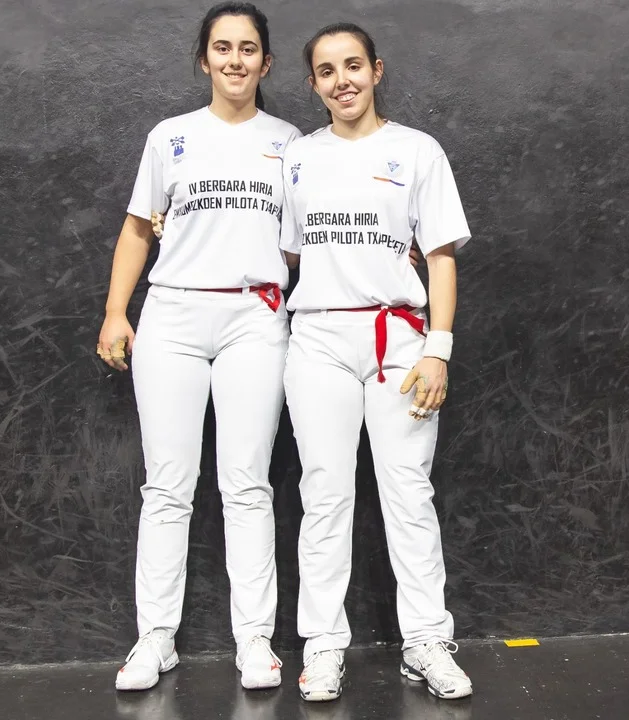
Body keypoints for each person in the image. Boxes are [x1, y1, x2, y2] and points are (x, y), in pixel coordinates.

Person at [97, 2, 301, 692]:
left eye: (248, 48)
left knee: (246, 483)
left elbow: (307, 239)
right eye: (222, 47)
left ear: (266, 62)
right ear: (204, 59)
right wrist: (115, 313)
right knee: (167, 485)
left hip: (254, 319)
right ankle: (155, 638)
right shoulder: (170, 137)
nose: (235, 60)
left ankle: (255, 640)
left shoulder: (290, 143)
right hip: (173, 316)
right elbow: (137, 229)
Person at [280, 23, 473, 702]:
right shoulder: (297, 157)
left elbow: (440, 257)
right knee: (324, 494)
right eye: (327, 71)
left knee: (407, 492)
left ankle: (425, 640)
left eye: (353, 65)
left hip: (401, 341)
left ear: (376, 70)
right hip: (318, 341)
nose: (343, 81)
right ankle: (322, 645)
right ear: (313, 84)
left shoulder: (418, 151)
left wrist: (438, 348)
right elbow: (290, 251)